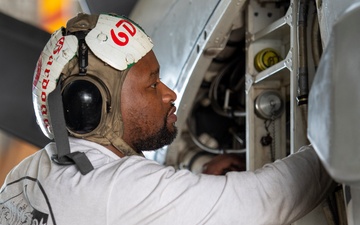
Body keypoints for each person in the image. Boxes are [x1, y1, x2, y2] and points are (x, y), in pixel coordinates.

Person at [0, 13, 334, 225]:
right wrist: (338, 136)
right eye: (152, 83)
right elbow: (269, 201)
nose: (169, 93)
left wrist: (193, 178)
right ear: (92, 105)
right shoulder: (116, 189)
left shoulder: (24, 174)